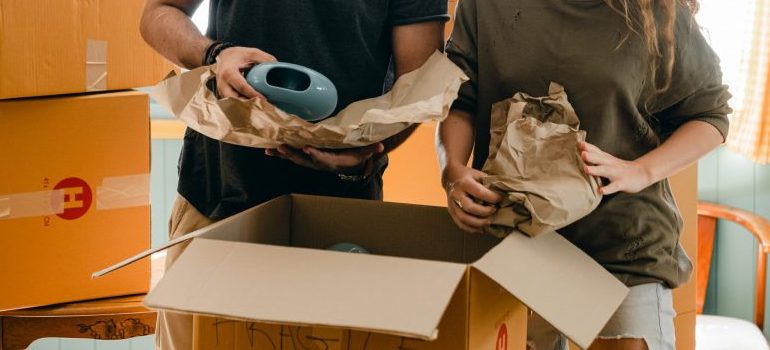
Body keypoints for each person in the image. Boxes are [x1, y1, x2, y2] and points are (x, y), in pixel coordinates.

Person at [140, 1, 448, 348]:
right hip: (215, 194)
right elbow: (158, 14)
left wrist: (363, 152)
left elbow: (418, 85)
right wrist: (214, 53)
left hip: (339, 216)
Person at [438, 0, 730, 349]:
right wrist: (452, 171)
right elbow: (458, 99)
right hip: (515, 243)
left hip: (623, 246)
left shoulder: (655, 10)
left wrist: (641, 171)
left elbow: (710, 115)